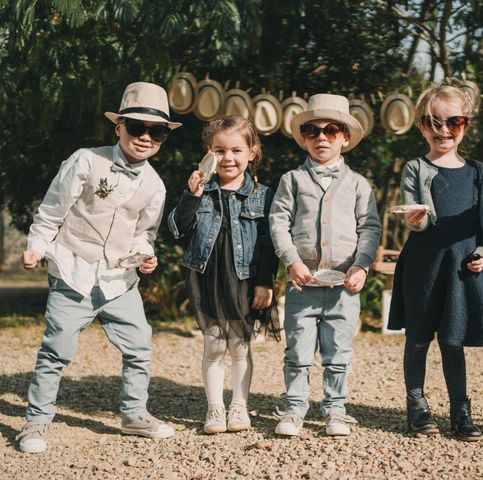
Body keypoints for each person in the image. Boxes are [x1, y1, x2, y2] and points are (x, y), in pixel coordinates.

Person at [16, 82, 180, 454]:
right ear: (118, 126)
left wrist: (145, 255)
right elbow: (51, 212)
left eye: (156, 132)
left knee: (139, 345)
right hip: (73, 270)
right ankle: (36, 422)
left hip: (119, 280)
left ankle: (134, 414)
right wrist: (36, 248)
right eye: (136, 127)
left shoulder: (155, 185)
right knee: (56, 349)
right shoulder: (86, 161)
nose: (145, 137)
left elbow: (143, 234)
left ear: (163, 138)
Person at [387, 85, 483, 441]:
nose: (444, 129)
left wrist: (481, 256)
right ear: (421, 126)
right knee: (419, 338)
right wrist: (415, 220)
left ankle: (460, 411)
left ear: (466, 125)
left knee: (453, 342)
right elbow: (418, 220)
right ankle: (417, 406)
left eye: (454, 121)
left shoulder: (479, 172)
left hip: (460, 268)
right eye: (434, 122)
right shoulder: (415, 168)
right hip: (423, 265)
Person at [269, 94, 381, 437]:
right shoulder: (292, 180)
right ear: (303, 137)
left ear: (344, 137)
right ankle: (294, 408)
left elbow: (370, 228)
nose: (321, 137)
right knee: (298, 350)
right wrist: (291, 261)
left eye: (331, 130)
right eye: (312, 130)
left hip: (343, 287)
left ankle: (335, 410)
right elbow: (278, 222)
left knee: (338, 352)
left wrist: (361, 265)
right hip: (303, 284)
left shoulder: (359, 183)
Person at [167, 115, 279, 434]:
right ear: (208, 154)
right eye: (219, 151)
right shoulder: (201, 189)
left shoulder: (263, 195)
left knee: (240, 345)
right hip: (207, 276)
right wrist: (192, 196)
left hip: (245, 278)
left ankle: (239, 407)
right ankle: (215, 408)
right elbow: (176, 229)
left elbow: (270, 244)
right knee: (214, 344)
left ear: (251, 152)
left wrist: (265, 282)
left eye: (236, 150)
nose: (228, 158)